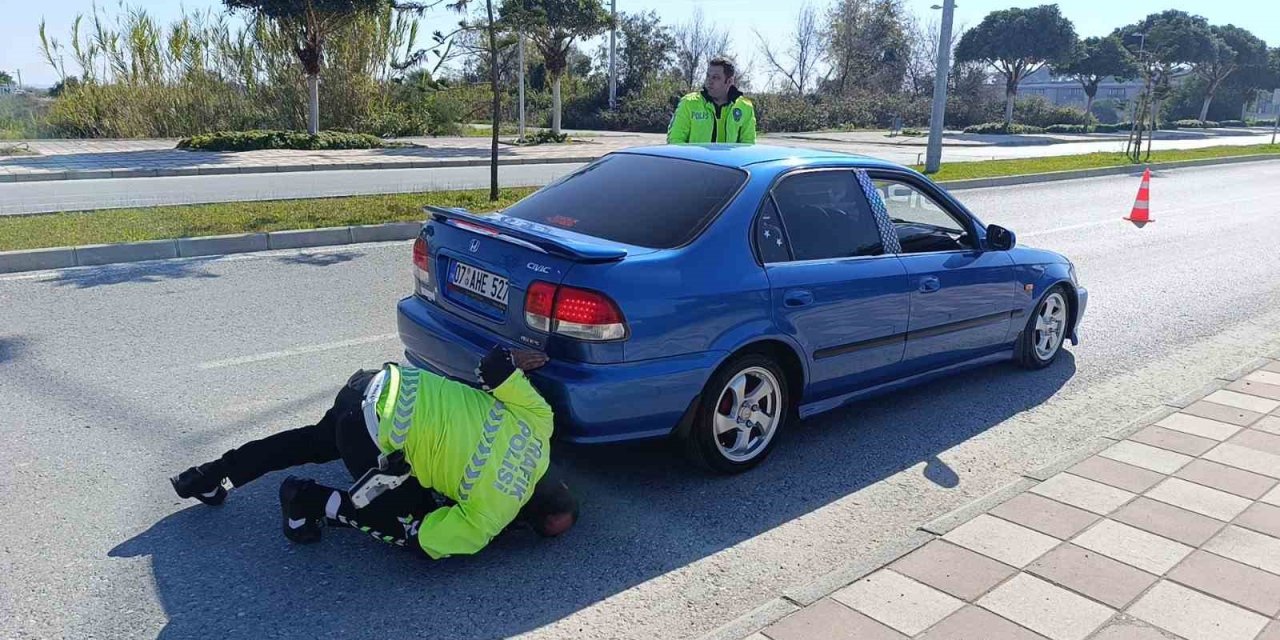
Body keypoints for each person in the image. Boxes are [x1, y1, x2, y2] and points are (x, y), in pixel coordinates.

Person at [169, 345, 579, 560]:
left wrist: (516, 358)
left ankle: (208, 476)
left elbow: (492, 365)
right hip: (368, 432)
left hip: (376, 384)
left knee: (312, 441)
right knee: (411, 523)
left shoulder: (539, 423)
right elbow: (424, 540)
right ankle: (308, 501)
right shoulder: (491, 518)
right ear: (524, 522)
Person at [666, 56, 757, 145]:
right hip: (693, 156)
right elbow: (675, 141)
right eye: (708, 76)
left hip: (730, 156)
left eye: (715, 77)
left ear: (729, 81)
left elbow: (748, 146)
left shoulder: (745, 107)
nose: (709, 81)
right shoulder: (688, 103)